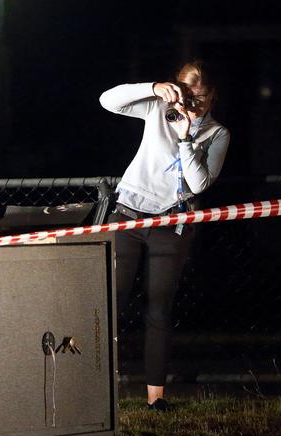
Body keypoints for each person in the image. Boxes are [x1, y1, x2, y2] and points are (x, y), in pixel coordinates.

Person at [99, 60, 230, 410]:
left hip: (170, 225)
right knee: (110, 301)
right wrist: (153, 88)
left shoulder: (216, 133)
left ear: (212, 97)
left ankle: (156, 399)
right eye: (186, 94)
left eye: (199, 97)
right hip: (128, 215)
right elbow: (108, 100)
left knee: (158, 307)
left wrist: (187, 137)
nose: (191, 103)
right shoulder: (159, 108)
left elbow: (200, 183)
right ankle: (96, 389)